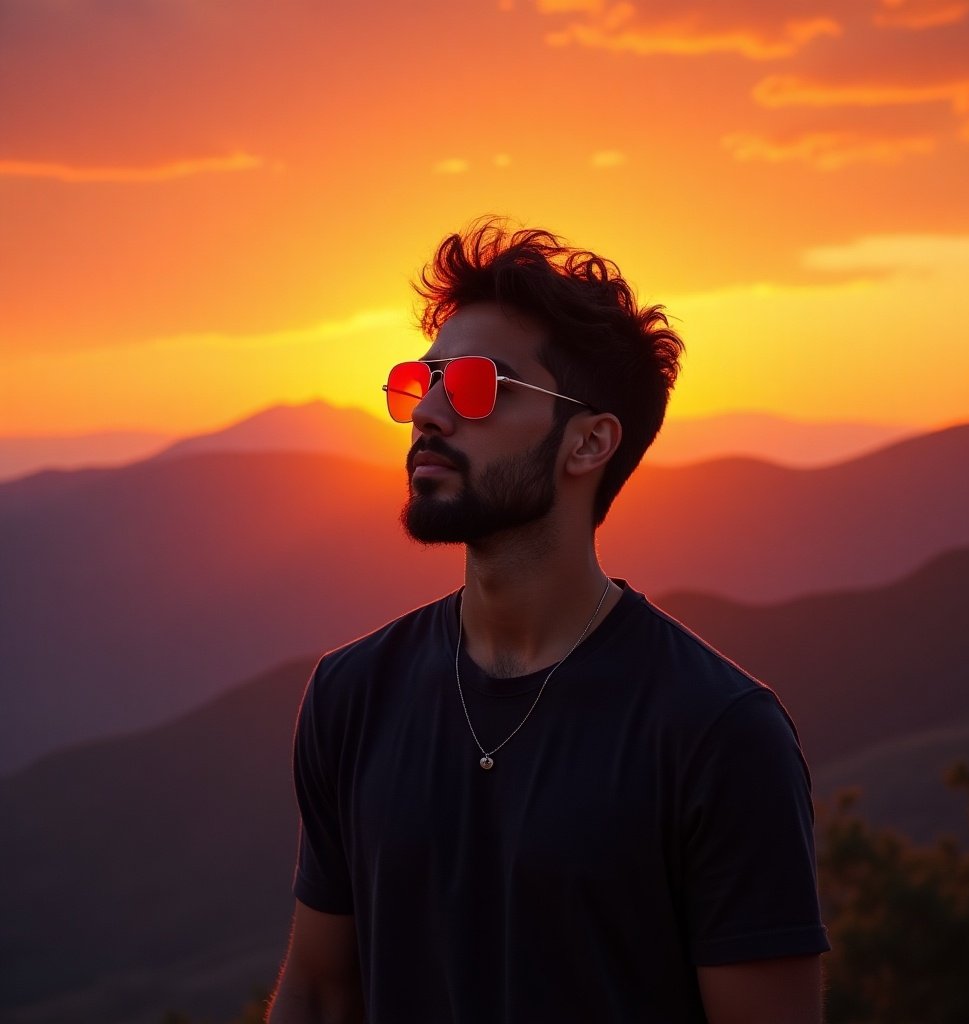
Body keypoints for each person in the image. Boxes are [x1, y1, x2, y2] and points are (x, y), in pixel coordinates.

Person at [267, 220, 829, 1024]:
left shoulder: (716, 733)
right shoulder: (353, 694)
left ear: (589, 442)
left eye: (475, 388)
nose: (428, 412)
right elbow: (321, 994)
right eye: (422, 382)